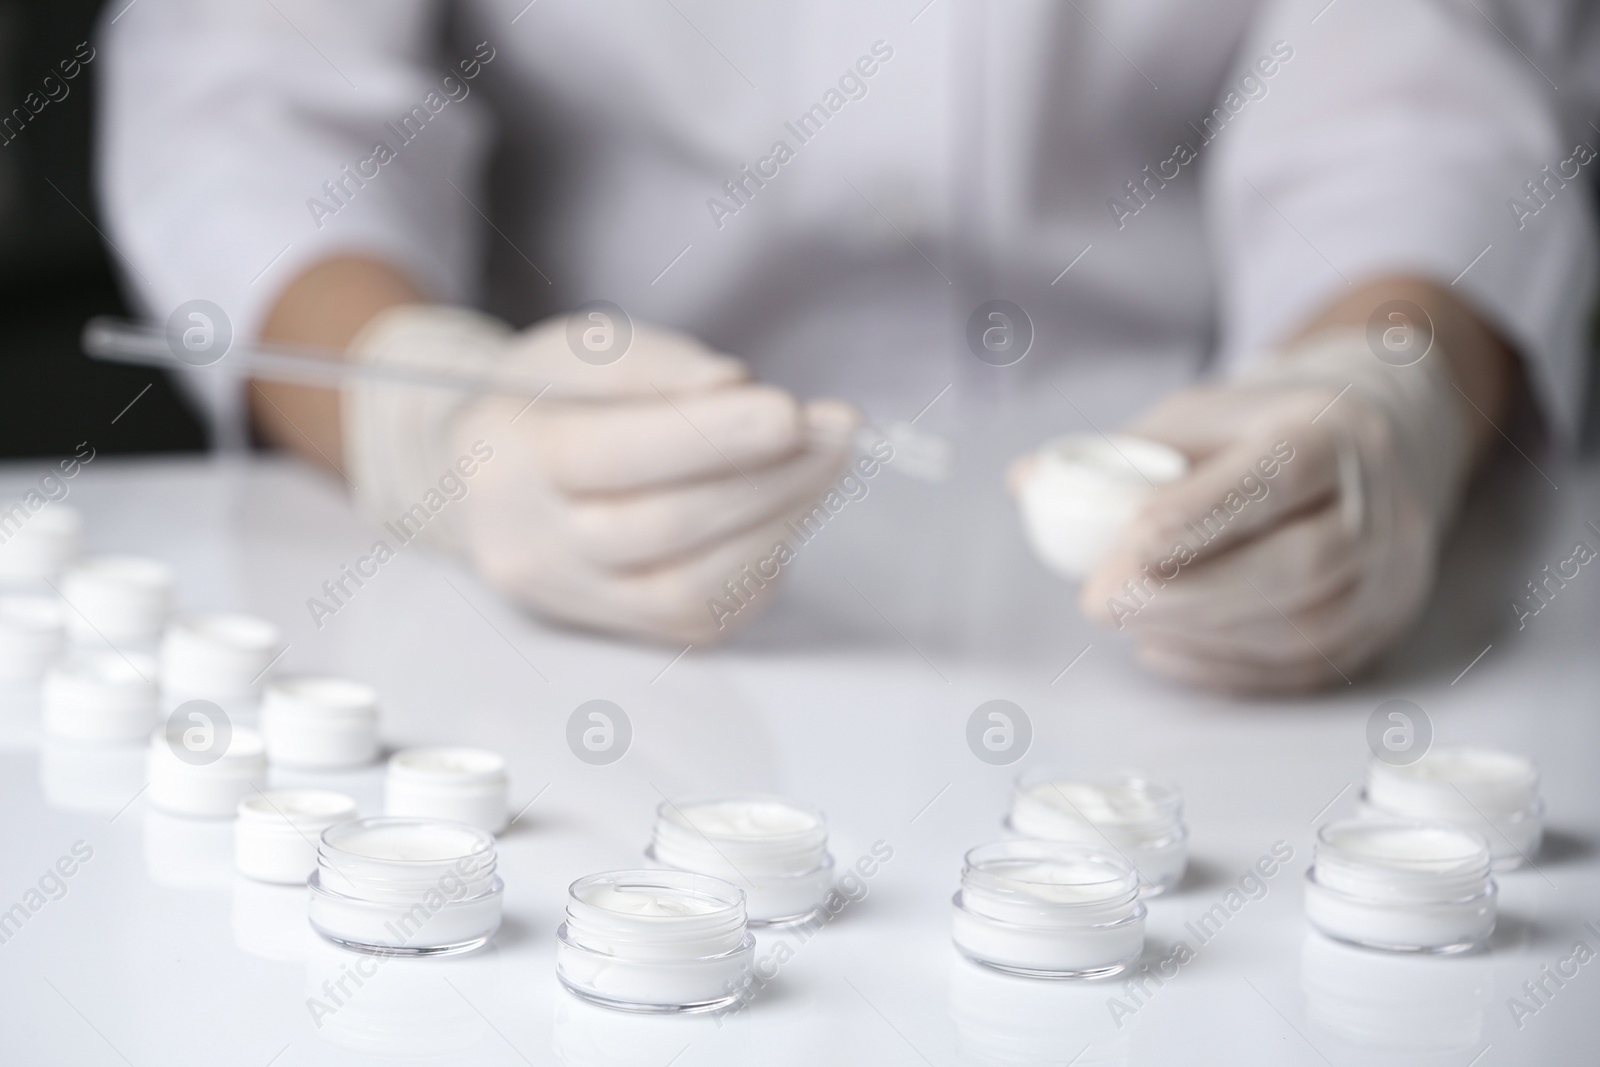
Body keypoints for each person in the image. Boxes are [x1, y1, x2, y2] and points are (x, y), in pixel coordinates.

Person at [97, 1, 1599, 692]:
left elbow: (1422, 86)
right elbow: (243, 90)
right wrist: (422, 412)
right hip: (543, 559)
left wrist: (1382, 383)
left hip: (1188, 536)